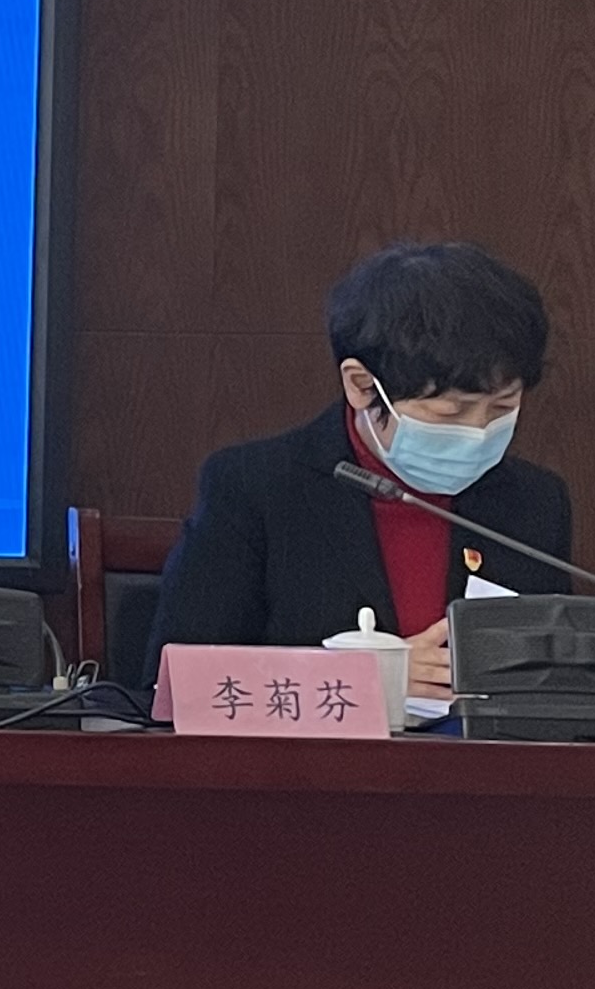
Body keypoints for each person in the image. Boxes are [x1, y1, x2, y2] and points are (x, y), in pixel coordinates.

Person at [154, 240, 573, 699]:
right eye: (451, 412)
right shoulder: (255, 487)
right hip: (313, 747)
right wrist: (363, 683)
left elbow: (551, 687)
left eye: (502, 407)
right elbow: (177, 686)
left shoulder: (533, 501)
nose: (478, 431)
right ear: (361, 385)